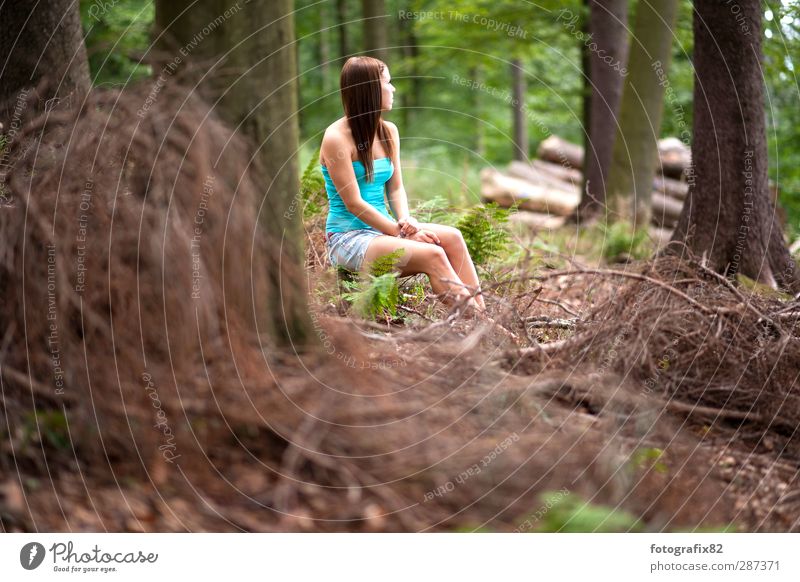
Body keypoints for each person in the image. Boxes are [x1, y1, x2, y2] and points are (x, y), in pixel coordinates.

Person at [320, 56, 486, 312]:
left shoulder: (388, 131)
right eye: (388, 82)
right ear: (370, 90)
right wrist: (398, 233)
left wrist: (408, 224)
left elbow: (396, 188)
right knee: (433, 255)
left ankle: (482, 317)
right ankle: (483, 327)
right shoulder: (336, 138)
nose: (393, 88)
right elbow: (353, 203)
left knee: (452, 237)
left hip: (383, 231)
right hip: (347, 238)